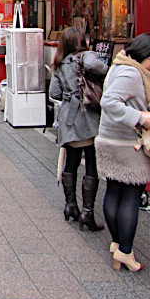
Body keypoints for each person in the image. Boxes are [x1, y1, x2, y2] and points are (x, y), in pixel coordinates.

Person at [96, 33, 150, 272]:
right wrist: (140, 118)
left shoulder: (119, 65)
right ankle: (125, 252)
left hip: (109, 138)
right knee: (130, 195)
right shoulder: (131, 72)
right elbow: (109, 102)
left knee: (114, 191)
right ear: (146, 55)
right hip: (127, 142)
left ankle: (117, 245)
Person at [49, 27, 108, 231]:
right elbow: (102, 69)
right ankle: (87, 212)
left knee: (71, 162)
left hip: (68, 118)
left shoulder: (59, 62)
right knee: (92, 163)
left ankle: (70, 206)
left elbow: (54, 93)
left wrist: (69, 94)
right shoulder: (87, 57)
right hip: (88, 116)